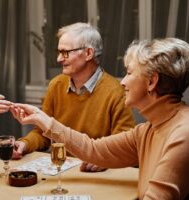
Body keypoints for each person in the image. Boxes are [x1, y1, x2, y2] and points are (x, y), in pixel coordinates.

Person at [12, 37, 189, 200]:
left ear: (152, 82)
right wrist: (45, 121)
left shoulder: (182, 134)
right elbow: (93, 149)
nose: (123, 82)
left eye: (129, 73)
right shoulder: (148, 129)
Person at [12, 22, 135, 172]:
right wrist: (24, 144)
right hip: (60, 171)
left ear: (89, 53)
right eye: (58, 52)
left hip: (94, 176)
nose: (58, 59)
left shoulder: (116, 92)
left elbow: (125, 147)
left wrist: (106, 160)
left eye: (65, 52)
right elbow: (42, 132)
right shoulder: (55, 85)